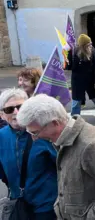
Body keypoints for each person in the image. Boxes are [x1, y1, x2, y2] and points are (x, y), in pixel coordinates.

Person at [16, 94, 95, 220]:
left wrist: (93, 217)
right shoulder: (63, 138)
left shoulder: (89, 145)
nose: (34, 138)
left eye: (35, 132)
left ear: (54, 123)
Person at [0, 89, 58, 219]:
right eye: (9, 109)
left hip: (47, 206)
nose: (16, 112)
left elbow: (63, 165)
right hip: (19, 205)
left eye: (20, 107)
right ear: (2, 115)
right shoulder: (1, 137)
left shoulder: (44, 131)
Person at [67, 34, 95, 115]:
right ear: (83, 46)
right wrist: (68, 54)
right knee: (76, 102)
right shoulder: (74, 53)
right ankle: (75, 119)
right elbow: (69, 67)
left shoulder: (93, 52)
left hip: (90, 81)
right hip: (78, 82)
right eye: (88, 44)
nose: (91, 46)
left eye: (91, 44)